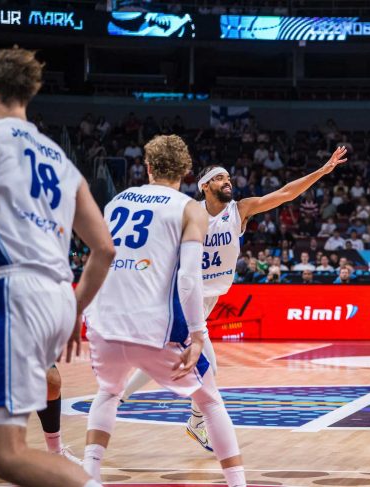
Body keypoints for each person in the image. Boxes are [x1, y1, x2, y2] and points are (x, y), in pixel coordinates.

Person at [120, 146, 348, 450]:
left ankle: (125, 399)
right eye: (220, 178)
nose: (227, 181)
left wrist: (322, 171)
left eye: (228, 177)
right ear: (205, 186)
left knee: (169, 356)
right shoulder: (188, 213)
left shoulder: (239, 210)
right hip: (183, 296)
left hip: (206, 299)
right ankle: (175, 415)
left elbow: (285, 194)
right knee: (203, 367)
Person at [82, 135, 247, 487]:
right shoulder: (189, 209)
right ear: (187, 172)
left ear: (147, 167)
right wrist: (198, 334)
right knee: (210, 401)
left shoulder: (117, 201)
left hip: (103, 321)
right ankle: (237, 482)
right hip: (154, 323)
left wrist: (77, 310)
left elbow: (99, 258)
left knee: (107, 393)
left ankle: (90, 477)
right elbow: (187, 279)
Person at [0, 47, 115, 487]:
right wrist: (74, 310)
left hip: (13, 290)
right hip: (58, 297)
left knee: (3, 453)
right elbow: (104, 249)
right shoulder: (62, 161)